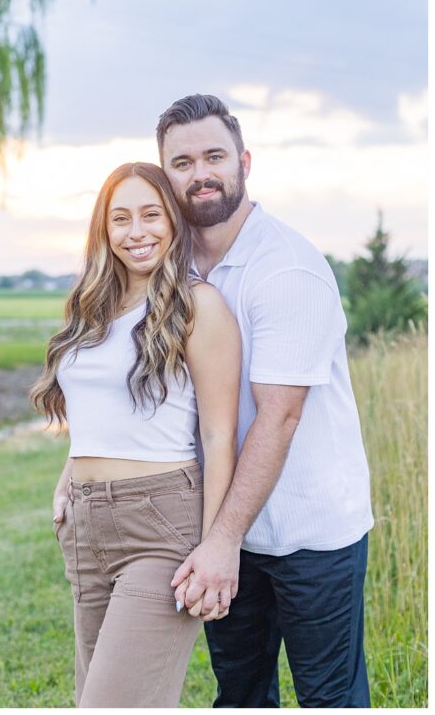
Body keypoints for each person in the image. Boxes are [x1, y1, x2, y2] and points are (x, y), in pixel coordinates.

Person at [157, 94, 374, 707]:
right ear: (165, 174)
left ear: (243, 162)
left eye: (214, 156)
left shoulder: (285, 269)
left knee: (328, 697)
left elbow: (278, 417)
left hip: (311, 533)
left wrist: (221, 540)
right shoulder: (173, 272)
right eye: (182, 162)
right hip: (227, 528)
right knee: (242, 694)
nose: (200, 173)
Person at [32, 162, 241, 707]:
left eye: (151, 215)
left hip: (160, 522)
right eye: (120, 218)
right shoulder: (92, 308)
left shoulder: (198, 305)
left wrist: (220, 544)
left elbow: (219, 435)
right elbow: (98, 410)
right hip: (85, 523)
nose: (137, 231)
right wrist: (66, 480)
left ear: (172, 221)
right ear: (104, 230)